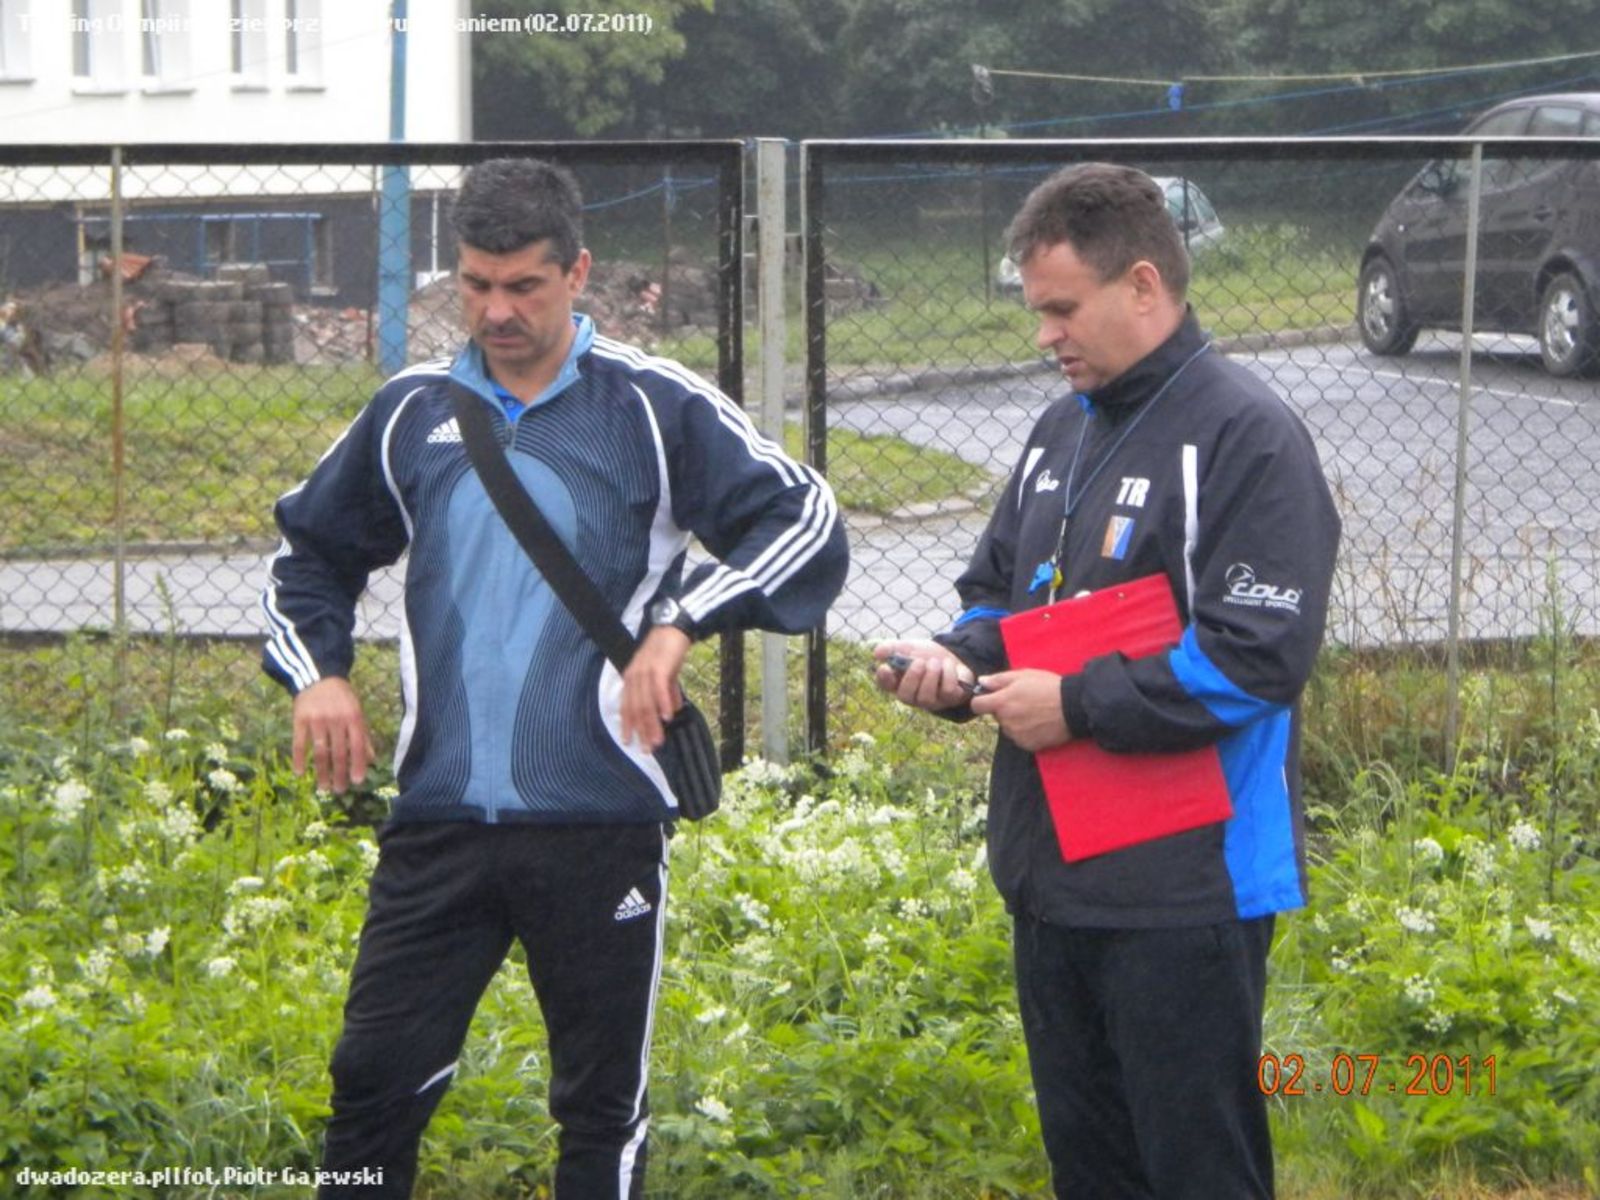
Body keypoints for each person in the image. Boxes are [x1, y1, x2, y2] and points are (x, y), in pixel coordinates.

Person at [260, 157, 847, 1199]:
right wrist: (320, 674)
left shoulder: (655, 409)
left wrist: (682, 619)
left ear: (577, 273)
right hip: (437, 820)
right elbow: (309, 552)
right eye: (476, 285)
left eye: (523, 285)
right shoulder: (412, 412)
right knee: (371, 1085)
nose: (496, 310)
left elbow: (804, 522)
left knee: (597, 1107)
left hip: (600, 819)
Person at [874, 163, 1340, 1199]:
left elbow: (1254, 656)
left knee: (1195, 1169)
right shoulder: (1058, 430)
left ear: (1141, 284)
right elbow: (1000, 595)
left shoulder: (1247, 436)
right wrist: (959, 663)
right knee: (1091, 1170)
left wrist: (1075, 706)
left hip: (1186, 890)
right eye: (1036, 312)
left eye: (1059, 309)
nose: (1044, 336)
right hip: (1051, 880)